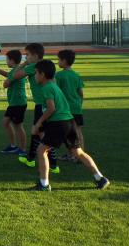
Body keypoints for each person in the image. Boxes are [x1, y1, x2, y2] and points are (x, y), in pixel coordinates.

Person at [31, 60, 109, 191]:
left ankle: (44, 184)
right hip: (70, 122)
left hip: (59, 123)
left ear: (42, 75)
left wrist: (38, 123)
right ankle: (100, 178)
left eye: (36, 73)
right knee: (78, 152)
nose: (34, 76)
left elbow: (51, 109)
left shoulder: (46, 88)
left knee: (41, 150)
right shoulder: (54, 85)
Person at [9, 43, 59, 172]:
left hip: (42, 105)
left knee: (42, 134)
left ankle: (53, 165)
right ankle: (30, 158)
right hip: (48, 103)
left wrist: (23, 64)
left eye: (28, 55)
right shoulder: (46, 65)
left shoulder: (33, 67)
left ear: (35, 56)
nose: (26, 57)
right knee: (36, 131)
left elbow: (15, 75)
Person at [0, 50, 27, 155]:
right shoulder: (15, 70)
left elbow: (5, 84)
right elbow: (7, 74)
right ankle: (13, 146)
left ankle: (22, 149)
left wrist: (6, 82)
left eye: (7, 59)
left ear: (12, 60)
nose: (6, 62)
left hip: (18, 103)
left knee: (18, 126)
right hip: (14, 103)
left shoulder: (16, 71)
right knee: (5, 123)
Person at [56, 49, 86, 158]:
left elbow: (56, 92)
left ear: (64, 61)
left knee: (69, 133)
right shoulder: (76, 75)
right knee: (77, 131)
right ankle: (78, 154)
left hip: (66, 108)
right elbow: (81, 93)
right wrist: (79, 104)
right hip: (76, 107)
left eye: (59, 60)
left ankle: (77, 156)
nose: (58, 62)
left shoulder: (59, 75)